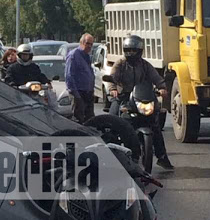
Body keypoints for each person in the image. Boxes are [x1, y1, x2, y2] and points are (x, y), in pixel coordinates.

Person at [106, 35, 174, 170]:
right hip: (124, 97)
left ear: (140, 51)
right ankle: (109, 154)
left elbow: (156, 78)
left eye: (134, 50)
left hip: (142, 98)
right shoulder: (120, 64)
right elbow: (111, 78)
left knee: (155, 125)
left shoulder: (145, 65)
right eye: (128, 50)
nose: (131, 53)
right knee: (112, 120)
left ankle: (162, 157)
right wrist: (113, 89)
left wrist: (162, 88)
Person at [65, 33, 95, 124]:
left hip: (88, 93)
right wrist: (76, 95)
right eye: (87, 43)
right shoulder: (73, 55)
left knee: (90, 120)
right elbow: (69, 76)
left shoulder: (87, 56)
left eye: (91, 44)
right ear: (81, 42)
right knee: (78, 119)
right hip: (78, 93)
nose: (89, 46)